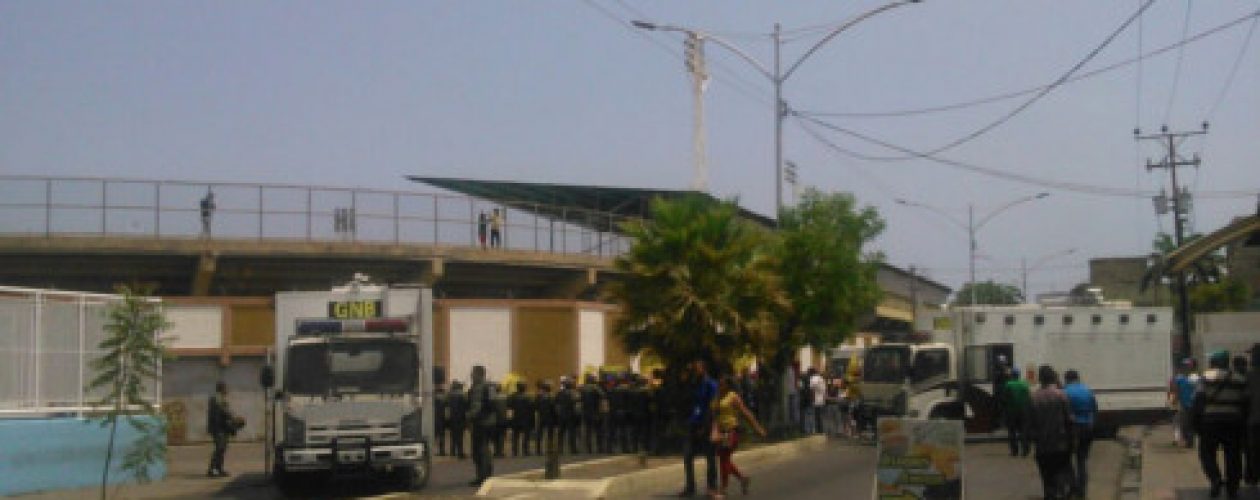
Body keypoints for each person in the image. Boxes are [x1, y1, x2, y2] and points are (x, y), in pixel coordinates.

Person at [1193, 350, 1248, 498]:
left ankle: (1215, 478)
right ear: (1226, 362)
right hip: (1233, 422)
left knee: (1206, 453)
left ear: (1213, 363)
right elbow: (1245, 402)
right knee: (1233, 455)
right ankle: (1232, 487)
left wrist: (1196, 424)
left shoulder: (1205, 378)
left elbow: (1198, 400)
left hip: (1211, 422)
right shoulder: (1240, 379)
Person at [711, 375, 767, 499]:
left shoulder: (733, 397)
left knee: (724, 458)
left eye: (722, 384)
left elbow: (745, 413)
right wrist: (714, 430)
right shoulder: (716, 398)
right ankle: (743, 478)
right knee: (723, 459)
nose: (719, 387)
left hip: (731, 431)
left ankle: (723, 490)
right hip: (721, 432)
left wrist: (757, 428)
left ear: (727, 386)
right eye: (718, 384)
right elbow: (715, 416)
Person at [1027, 365, 1074, 500]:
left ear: (1040, 379)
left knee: (1046, 478)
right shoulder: (1062, 395)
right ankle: (1061, 494)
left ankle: (1050, 495)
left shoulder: (1033, 398)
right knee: (1060, 474)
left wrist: (1027, 443)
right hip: (1061, 444)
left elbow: (1029, 424)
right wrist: (1072, 440)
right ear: (1053, 377)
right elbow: (1069, 420)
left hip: (1042, 446)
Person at [679, 359, 718, 497]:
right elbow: (693, 404)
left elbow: (712, 408)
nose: (695, 371)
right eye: (694, 369)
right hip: (693, 422)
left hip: (706, 424)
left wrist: (706, 425)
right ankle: (690, 486)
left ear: (704, 369)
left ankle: (712, 487)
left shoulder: (711, 384)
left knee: (710, 457)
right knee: (687, 455)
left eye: (697, 369)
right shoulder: (695, 384)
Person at [1063, 369, 1098, 498]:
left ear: (1067, 379)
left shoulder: (1065, 392)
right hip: (1087, 427)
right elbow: (1094, 409)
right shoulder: (1087, 390)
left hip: (1073, 429)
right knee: (1081, 460)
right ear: (1078, 378)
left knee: (1066, 459)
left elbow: (1064, 413)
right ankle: (1082, 490)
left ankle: (1072, 486)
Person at [466, 366, 496, 487]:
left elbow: (476, 407)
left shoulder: (478, 388)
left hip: (480, 422)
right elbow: (494, 403)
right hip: (491, 421)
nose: (471, 375)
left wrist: (468, 416)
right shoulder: (491, 386)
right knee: (486, 449)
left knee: (478, 450)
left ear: (478, 374)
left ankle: (481, 476)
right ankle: (487, 474)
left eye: (473, 373)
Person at [206, 381, 238, 477]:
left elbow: (225, 412)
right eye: (226, 388)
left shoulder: (220, 398)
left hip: (222, 428)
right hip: (218, 428)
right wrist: (233, 419)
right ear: (222, 389)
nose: (227, 390)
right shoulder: (217, 398)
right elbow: (224, 412)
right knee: (220, 448)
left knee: (222, 449)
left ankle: (219, 469)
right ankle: (212, 469)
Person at [1171, 358, 1202, 448]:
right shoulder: (1179, 378)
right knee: (1184, 424)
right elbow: (1175, 390)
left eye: (1188, 365)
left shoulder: (1197, 378)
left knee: (1191, 424)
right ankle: (1188, 440)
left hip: (1195, 405)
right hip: (1184, 405)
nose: (1186, 367)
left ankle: (1190, 441)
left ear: (1193, 367)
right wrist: (1174, 401)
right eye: (1184, 365)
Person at [1001, 370, 1032, 457]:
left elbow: (1004, 398)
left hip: (1011, 411)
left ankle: (1014, 451)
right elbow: (1029, 398)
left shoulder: (1008, 384)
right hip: (1024, 411)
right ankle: (1025, 450)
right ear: (1019, 375)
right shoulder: (1024, 384)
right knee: (1024, 431)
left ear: (1011, 375)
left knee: (1012, 431)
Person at [1244, 346, 1260, 487]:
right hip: (1252, 419)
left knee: (1252, 449)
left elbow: (1244, 398)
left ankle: (1253, 476)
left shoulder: (1248, 376)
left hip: (1252, 420)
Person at [580, 373, 606, 454]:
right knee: (598, 431)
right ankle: (599, 448)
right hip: (596, 412)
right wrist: (603, 411)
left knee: (588, 432)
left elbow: (578, 401)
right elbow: (603, 398)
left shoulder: (582, 389)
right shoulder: (597, 388)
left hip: (586, 413)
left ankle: (589, 449)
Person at [508, 381, 535, 457]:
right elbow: (532, 410)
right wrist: (532, 421)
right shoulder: (529, 397)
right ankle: (525, 451)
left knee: (515, 436)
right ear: (524, 388)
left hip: (515, 419)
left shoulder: (512, 396)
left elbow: (509, 408)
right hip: (526, 420)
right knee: (526, 436)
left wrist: (510, 420)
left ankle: (515, 451)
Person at [555, 376, 580, 454]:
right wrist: (578, 417)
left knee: (561, 433)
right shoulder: (575, 393)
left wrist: (558, 414)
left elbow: (557, 405)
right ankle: (573, 449)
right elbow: (577, 406)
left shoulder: (559, 393)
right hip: (571, 415)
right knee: (572, 433)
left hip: (562, 415)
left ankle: (560, 449)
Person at [447, 380, 468, 459]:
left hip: (452, 417)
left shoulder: (449, 394)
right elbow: (466, 405)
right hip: (460, 417)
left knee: (453, 435)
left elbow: (446, 404)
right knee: (460, 436)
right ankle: (460, 452)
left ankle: (452, 451)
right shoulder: (462, 395)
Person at [535, 380, 557, 454]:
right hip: (550, 417)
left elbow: (536, 406)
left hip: (541, 416)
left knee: (539, 434)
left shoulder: (539, 396)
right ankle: (549, 449)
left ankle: (538, 450)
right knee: (550, 434)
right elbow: (554, 408)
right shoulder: (552, 397)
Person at [808, 368, 826, 435]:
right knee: (820, 416)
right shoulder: (821, 379)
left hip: (816, 400)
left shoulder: (813, 379)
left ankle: (816, 430)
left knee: (815, 416)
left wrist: (812, 400)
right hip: (821, 400)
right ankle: (821, 430)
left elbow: (812, 390)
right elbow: (824, 391)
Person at [434, 385, 448, 456]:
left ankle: (435, 451)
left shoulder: (433, 399)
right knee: (441, 436)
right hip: (441, 419)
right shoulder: (444, 400)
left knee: (435, 436)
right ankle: (442, 451)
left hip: (435, 419)